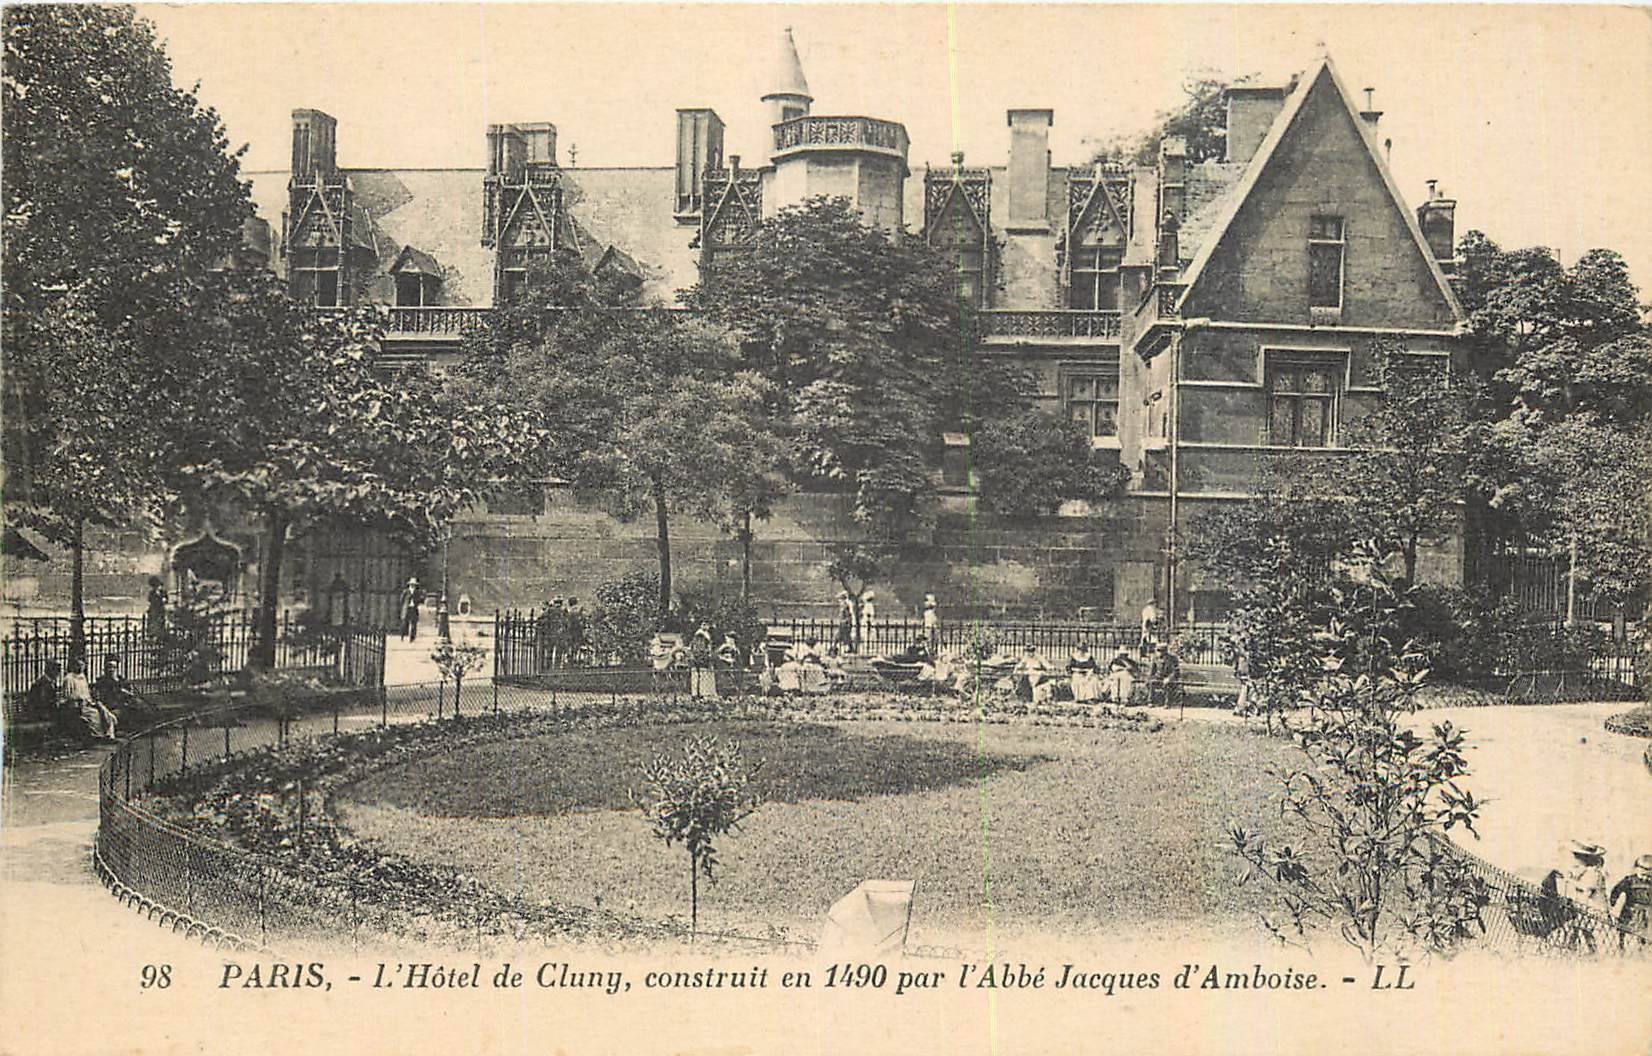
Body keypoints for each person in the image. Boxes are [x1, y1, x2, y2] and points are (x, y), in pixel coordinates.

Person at [62, 658, 116, 741]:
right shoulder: (69, 678)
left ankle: (109, 734)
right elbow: (67, 695)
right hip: (78, 705)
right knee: (95, 714)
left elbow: (87, 692)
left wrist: (92, 698)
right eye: (78, 665)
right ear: (74, 666)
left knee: (104, 711)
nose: (80, 668)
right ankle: (98, 735)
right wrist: (80, 698)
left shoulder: (82, 676)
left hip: (89, 702)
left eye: (82, 665)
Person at [1608, 854, 1652, 949]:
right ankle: (1622, 946)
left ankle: (1642, 949)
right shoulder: (1629, 881)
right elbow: (1616, 890)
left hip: (1648, 912)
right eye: (1643, 875)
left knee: (1645, 933)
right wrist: (1613, 901)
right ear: (1637, 869)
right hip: (1631, 910)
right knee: (1625, 929)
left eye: (1649, 876)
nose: (1645, 878)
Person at [688, 623, 717, 699]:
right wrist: (706, 654)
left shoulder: (704, 635)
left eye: (707, 625)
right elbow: (700, 648)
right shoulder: (700, 636)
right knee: (701, 675)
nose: (707, 626)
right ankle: (701, 694)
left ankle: (699, 693)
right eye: (705, 624)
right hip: (701, 658)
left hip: (699, 658)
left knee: (699, 675)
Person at [399, 577, 422, 642]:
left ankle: (412, 638)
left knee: (413, 623)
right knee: (404, 623)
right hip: (407, 608)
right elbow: (401, 600)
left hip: (413, 608)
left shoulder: (417, 592)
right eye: (412, 584)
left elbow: (419, 599)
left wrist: (416, 603)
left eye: (414, 585)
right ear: (409, 585)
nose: (413, 586)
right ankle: (402, 636)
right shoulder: (406, 591)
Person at [857, 590, 877, 654]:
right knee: (865, 632)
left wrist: (868, 620)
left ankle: (868, 644)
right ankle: (867, 644)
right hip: (866, 620)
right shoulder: (867, 605)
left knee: (868, 633)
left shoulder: (869, 605)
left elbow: (869, 614)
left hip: (867, 621)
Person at [922, 594, 940, 659]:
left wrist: (926, 637)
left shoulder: (928, 613)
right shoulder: (932, 613)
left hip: (930, 636)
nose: (924, 603)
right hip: (933, 636)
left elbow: (928, 628)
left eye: (926, 601)